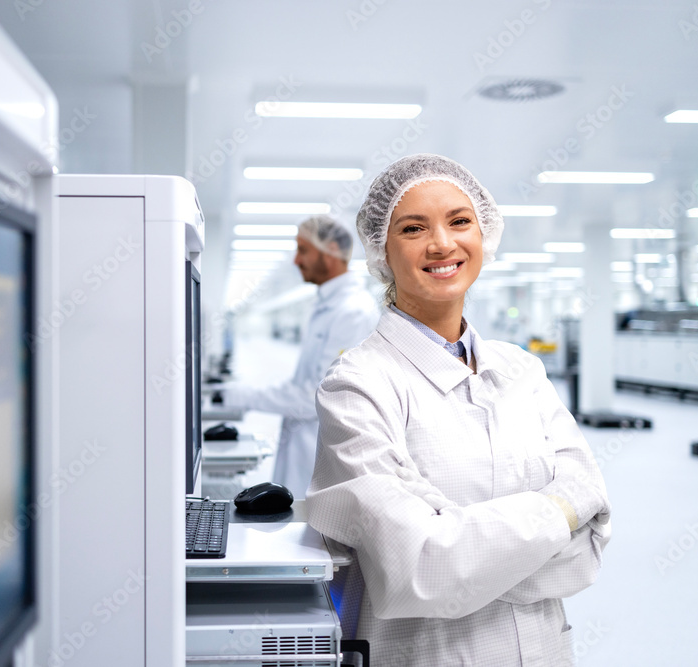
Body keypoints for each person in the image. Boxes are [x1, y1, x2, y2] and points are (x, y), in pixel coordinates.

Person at [306, 154, 611, 666]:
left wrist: (466, 544)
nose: (442, 243)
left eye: (460, 221)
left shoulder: (522, 371)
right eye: (413, 227)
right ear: (382, 250)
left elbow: (589, 546)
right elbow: (421, 569)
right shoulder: (357, 387)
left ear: (484, 236)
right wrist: (559, 509)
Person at [221, 215, 381, 497]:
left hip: (323, 457)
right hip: (303, 449)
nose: (296, 260)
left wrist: (237, 396)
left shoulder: (352, 312)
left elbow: (316, 397)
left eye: (302, 250)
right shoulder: (326, 307)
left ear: (330, 250)